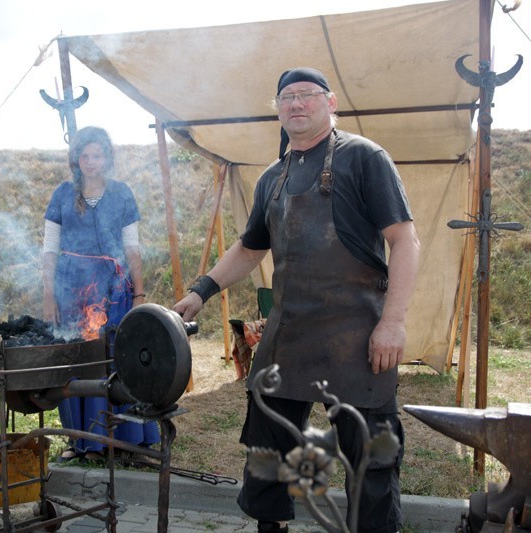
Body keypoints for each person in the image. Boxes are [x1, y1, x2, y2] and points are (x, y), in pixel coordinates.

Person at [174, 68, 420, 533]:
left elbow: (404, 241)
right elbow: (250, 248)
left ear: (331, 104)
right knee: (267, 454)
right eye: (286, 97)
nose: (296, 104)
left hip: (357, 338)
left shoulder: (365, 158)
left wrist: (393, 323)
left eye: (307, 95)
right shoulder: (272, 177)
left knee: (371, 460)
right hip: (287, 336)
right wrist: (200, 290)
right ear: (279, 109)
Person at [43, 126, 160, 462]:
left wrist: (139, 295)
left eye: (97, 155)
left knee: (119, 359)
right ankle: (84, 443)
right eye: (84, 155)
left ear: (107, 157)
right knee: (79, 360)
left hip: (114, 289)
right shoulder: (62, 194)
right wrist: (48, 295)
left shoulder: (122, 193)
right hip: (72, 292)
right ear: (75, 159)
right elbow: (50, 249)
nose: (91, 162)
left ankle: (132, 443)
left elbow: (132, 248)